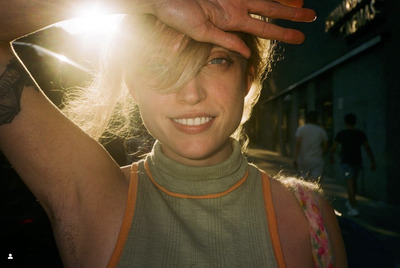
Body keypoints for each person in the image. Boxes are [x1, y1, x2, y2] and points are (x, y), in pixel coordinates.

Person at [0, 0, 347, 267]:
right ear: (132, 87)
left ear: (247, 78)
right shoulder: (92, 196)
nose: (191, 93)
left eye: (216, 61)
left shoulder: (309, 215)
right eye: (159, 65)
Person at [331, 113, 376, 217]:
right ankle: (352, 202)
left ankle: (353, 207)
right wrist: (372, 161)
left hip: (346, 163)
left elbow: (334, 148)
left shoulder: (341, 134)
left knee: (350, 184)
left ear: (345, 122)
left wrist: (331, 157)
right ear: (355, 122)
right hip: (357, 163)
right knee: (353, 183)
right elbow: (367, 148)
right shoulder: (360, 134)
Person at [293, 111, 328, 181]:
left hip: (303, 159)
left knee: (303, 180)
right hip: (316, 159)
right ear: (317, 119)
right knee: (315, 181)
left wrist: (295, 158)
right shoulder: (321, 131)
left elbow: (297, 145)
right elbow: (325, 146)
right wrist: (322, 154)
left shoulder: (301, 129)